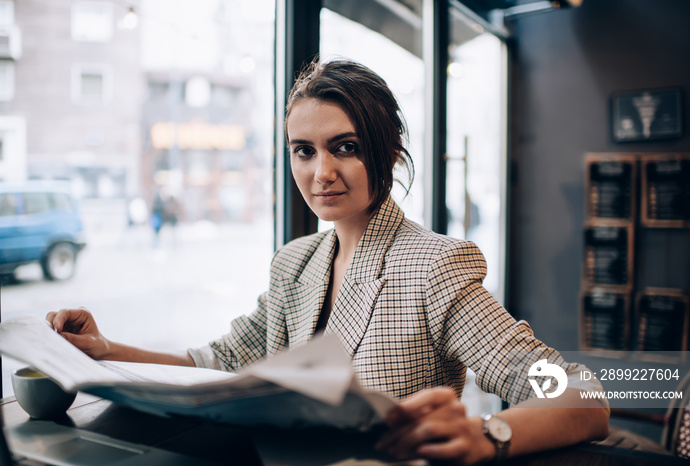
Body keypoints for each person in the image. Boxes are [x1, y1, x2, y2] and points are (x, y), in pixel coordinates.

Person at [46, 59, 609, 465]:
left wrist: (491, 434)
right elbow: (219, 360)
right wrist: (106, 350)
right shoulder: (295, 263)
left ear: (386, 153)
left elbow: (580, 394)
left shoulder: (435, 266)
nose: (321, 173)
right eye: (303, 150)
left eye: (345, 146)